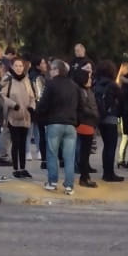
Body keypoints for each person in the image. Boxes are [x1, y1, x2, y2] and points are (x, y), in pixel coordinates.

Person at [36, 60, 80, 195]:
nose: (50, 71)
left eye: (52, 69)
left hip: (54, 123)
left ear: (57, 70)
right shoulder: (74, 86)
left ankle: (52, 182)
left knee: (52, 154)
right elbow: (80, 105)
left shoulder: (50, 85)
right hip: (71, 125)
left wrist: (40, 116)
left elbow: (43, 105)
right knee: (69, 156)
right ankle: (69, 185)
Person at [2, 57, 36, 179]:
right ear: (12, 67)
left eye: (20, 66)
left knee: (23, 144)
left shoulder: (27, 80)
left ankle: (23, 168)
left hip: (25, 117)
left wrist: (32, 107)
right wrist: (13, 105)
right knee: (16, 143)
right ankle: (16, 168)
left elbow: (32, 97)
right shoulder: (8, 80)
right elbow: (2, 96)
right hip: (13, 117)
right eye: (16, 66)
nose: (18, 68)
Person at [93, 60, 125, 182]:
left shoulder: (96, 84)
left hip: (100, 118)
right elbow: (121, 100)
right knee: (111, 146)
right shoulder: (113, 85)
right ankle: (109, 173)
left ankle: (106, 172)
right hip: (111, 118)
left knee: (106, 146)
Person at [71, 67, 100, 188]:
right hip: (85, 123)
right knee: (84, 152)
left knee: (86, 152)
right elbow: (83, 107)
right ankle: (84, 177)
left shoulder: (87, 90)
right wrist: (95, 114)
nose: (90, 79)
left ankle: (85, 175)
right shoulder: (81, 91)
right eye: (88, 77)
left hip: (89, 123)